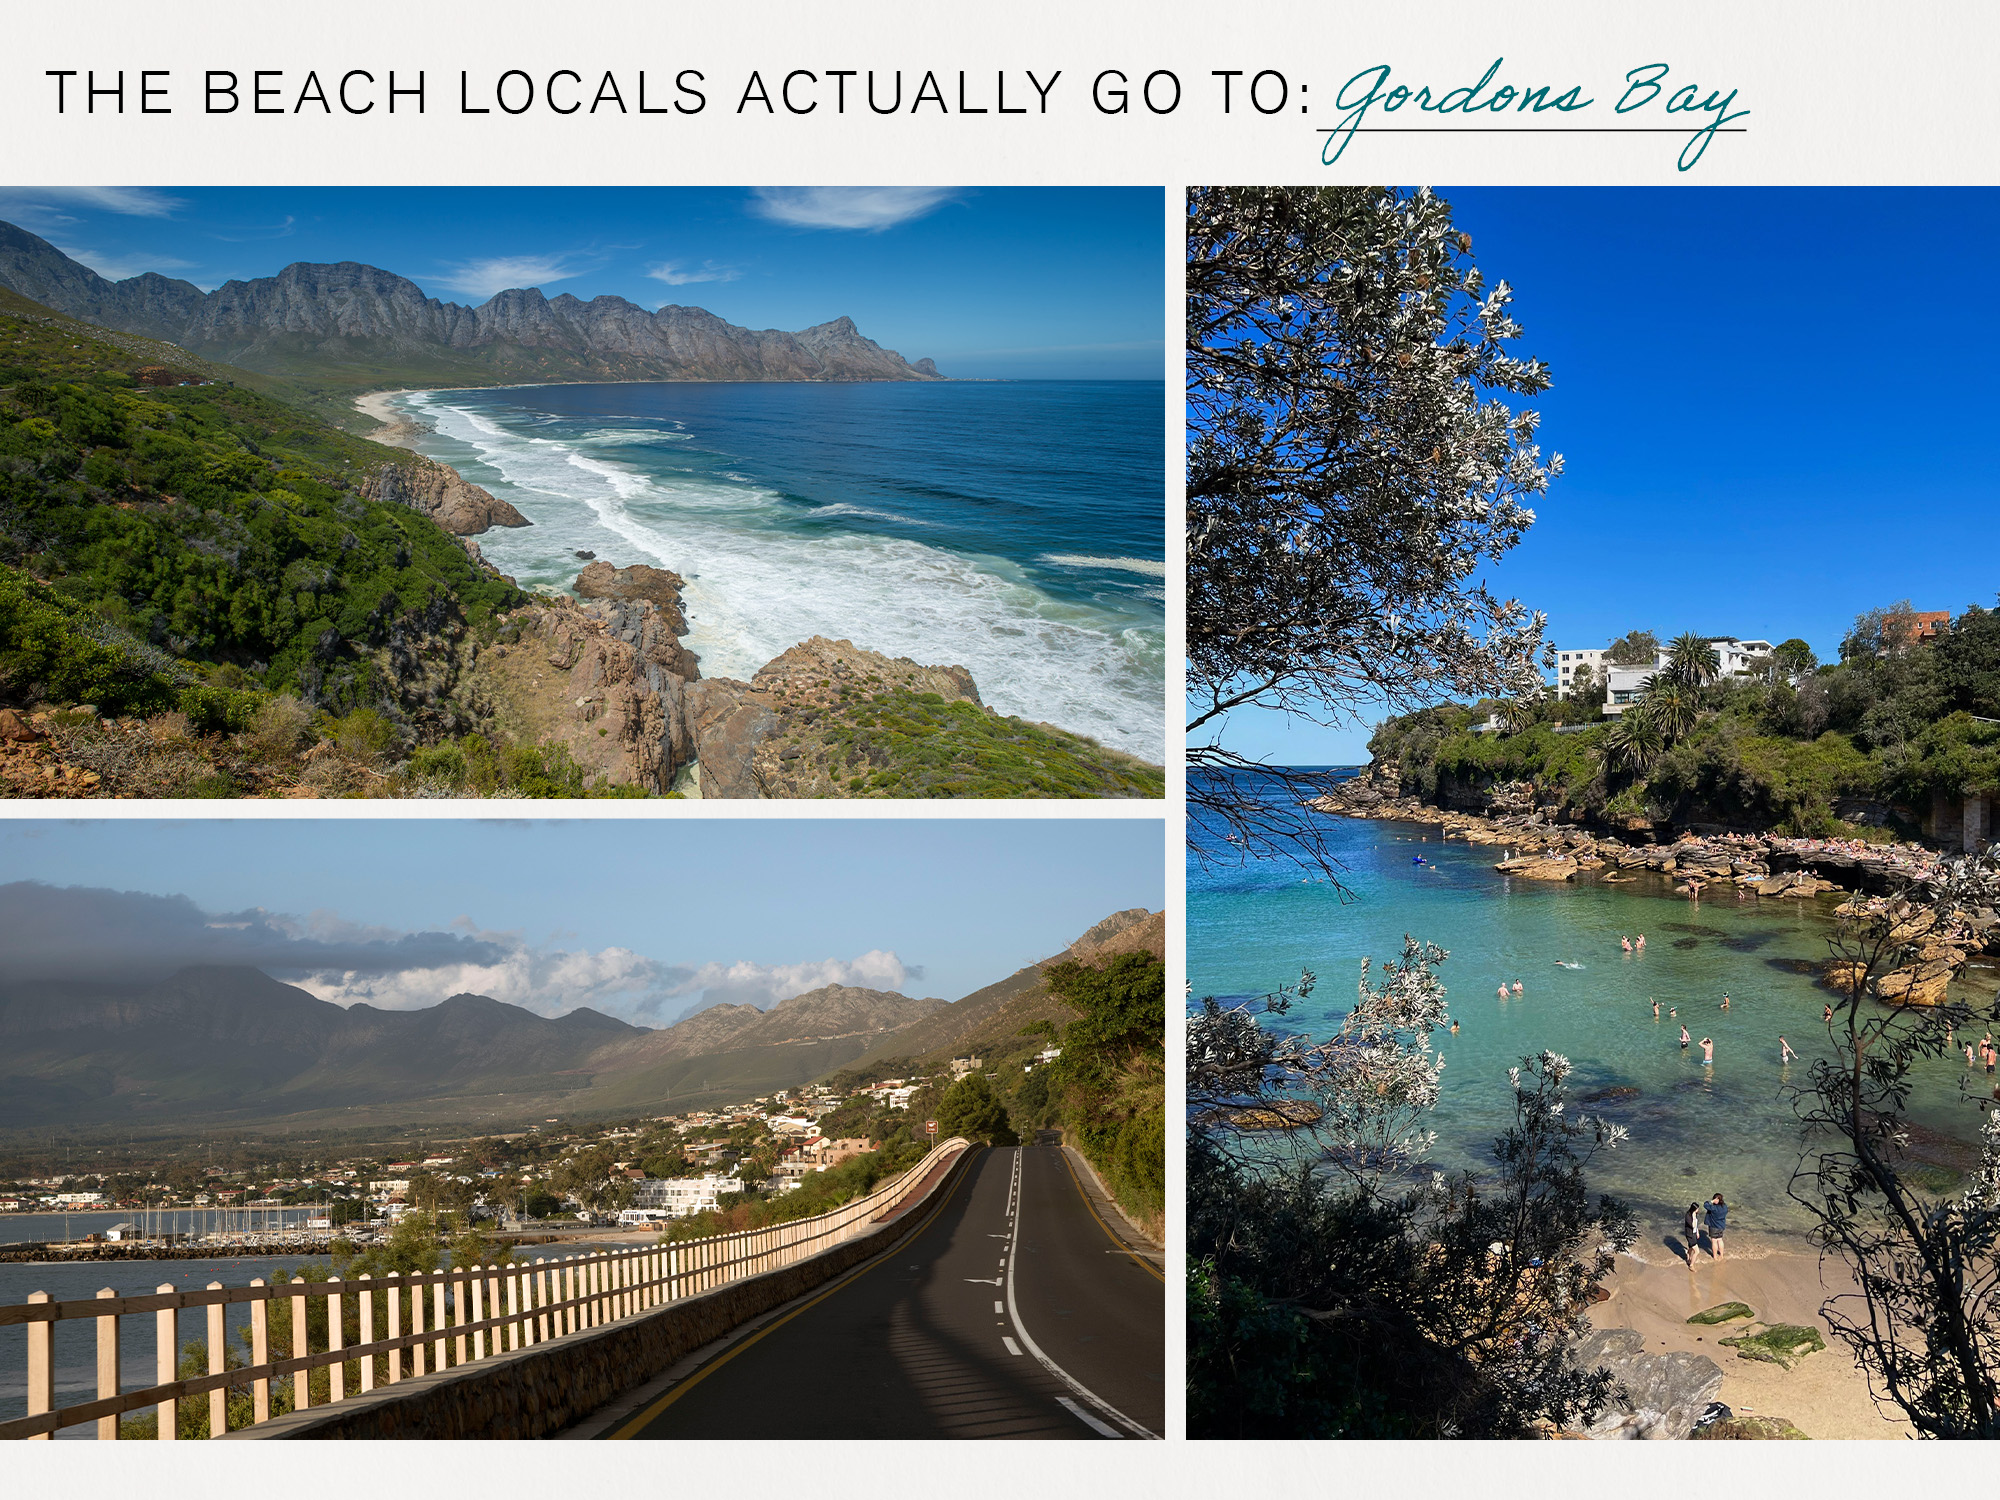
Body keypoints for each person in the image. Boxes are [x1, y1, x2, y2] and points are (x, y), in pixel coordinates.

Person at [1705, 1194, 1728, 1260]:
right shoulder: (1725, 1207)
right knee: (1720, 1240)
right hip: (1721, 1226)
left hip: (1714, 1226)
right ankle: (1721, 1255)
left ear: (1716, 1199)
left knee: (1714, 1241)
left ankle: (1715, 1256)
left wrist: (1711, 1201)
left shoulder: (1714, 1208)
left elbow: (1706, 1205)